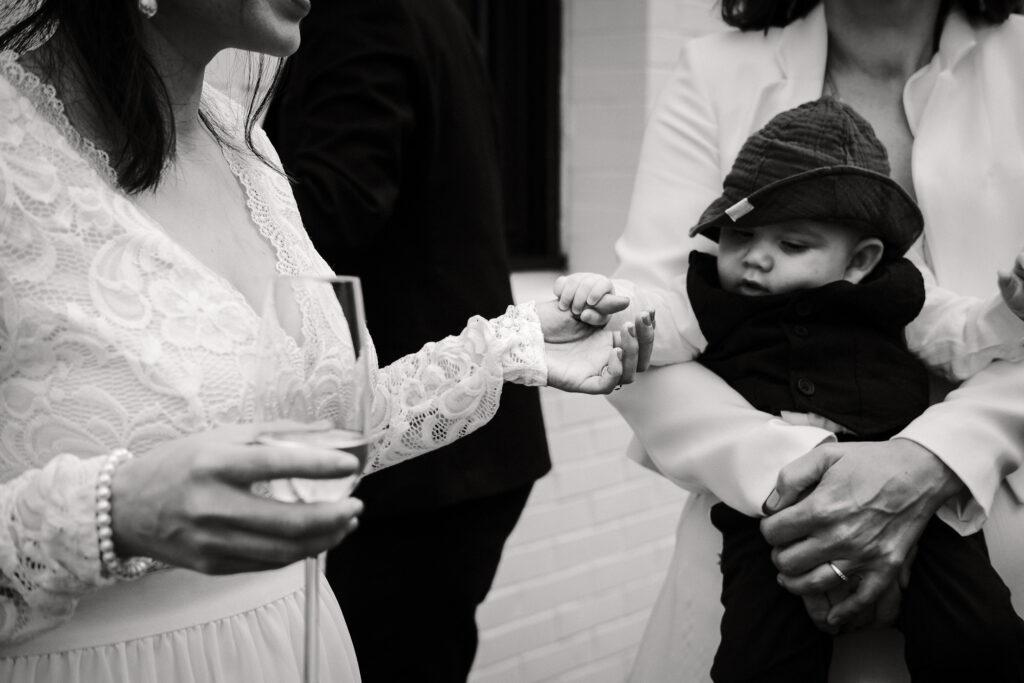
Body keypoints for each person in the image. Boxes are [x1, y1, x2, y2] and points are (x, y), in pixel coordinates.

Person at [0, 1, 654, 682]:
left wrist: (513, 348)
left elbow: (322, 427)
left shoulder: (242, 144)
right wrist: (112, 515)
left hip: (299, 643)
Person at [603, 0, 1024, 680]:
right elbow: (643, 337)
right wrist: (809, 478)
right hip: (772, 543)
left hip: (992, 535)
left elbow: (973, 329)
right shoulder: (713, 73)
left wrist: (934, 459)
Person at [261, 1, 552, 680]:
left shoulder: (360, 14)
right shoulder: (430, 10)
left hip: (423, 462)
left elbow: (338, 210)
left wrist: (223, 198)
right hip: (461, 454)